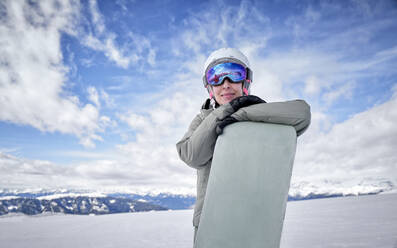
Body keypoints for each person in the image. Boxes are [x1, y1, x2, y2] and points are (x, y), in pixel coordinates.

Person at [176, 48, 311, 244]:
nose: (226, 84)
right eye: (217, 78)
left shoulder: (261, 113)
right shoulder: (202, 119)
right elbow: (191, 155)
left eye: (234, 74)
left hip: (253, 218)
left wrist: (240, 114)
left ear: (245, 80)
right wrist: (223, 112)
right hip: (211, 220)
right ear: (209, 87)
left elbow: (302, 114)